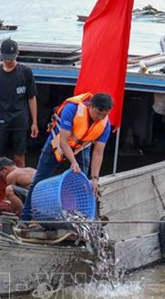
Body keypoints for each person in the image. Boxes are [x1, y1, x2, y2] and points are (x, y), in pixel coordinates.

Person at [19, 92, 113, 222]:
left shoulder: (105, 125)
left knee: (81, 185)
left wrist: (95, 178)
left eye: (104, 115)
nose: (100, 117)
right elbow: (63, 140)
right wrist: (73, 162)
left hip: (81, 148)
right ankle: (25, 218)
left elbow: (98, 152)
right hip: (56, 144)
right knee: (38, 180)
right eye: (98, 113)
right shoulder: (72, 109)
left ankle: (77, 220)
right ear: (90, 106)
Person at [0, 38, 38, 167]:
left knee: (19, 157)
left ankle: (19, 185)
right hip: (0, 121)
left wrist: (34, 122)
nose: (9, 61)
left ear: (17, 54)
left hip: (19, 121)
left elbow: (31, 98)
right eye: (6, 58)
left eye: (11, 58)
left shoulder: (26, 72)